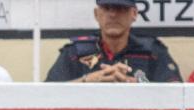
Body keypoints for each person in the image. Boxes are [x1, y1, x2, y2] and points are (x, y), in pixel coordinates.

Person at [45, 0, 181, 83]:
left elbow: (178, 93)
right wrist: (87, 81)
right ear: (96, 14)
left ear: (134, 14)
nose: (113, 14)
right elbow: (47, 93)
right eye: (107, 8)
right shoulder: (76, 52)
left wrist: (137, 85)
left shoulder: (152, 51)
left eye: (120, 8)